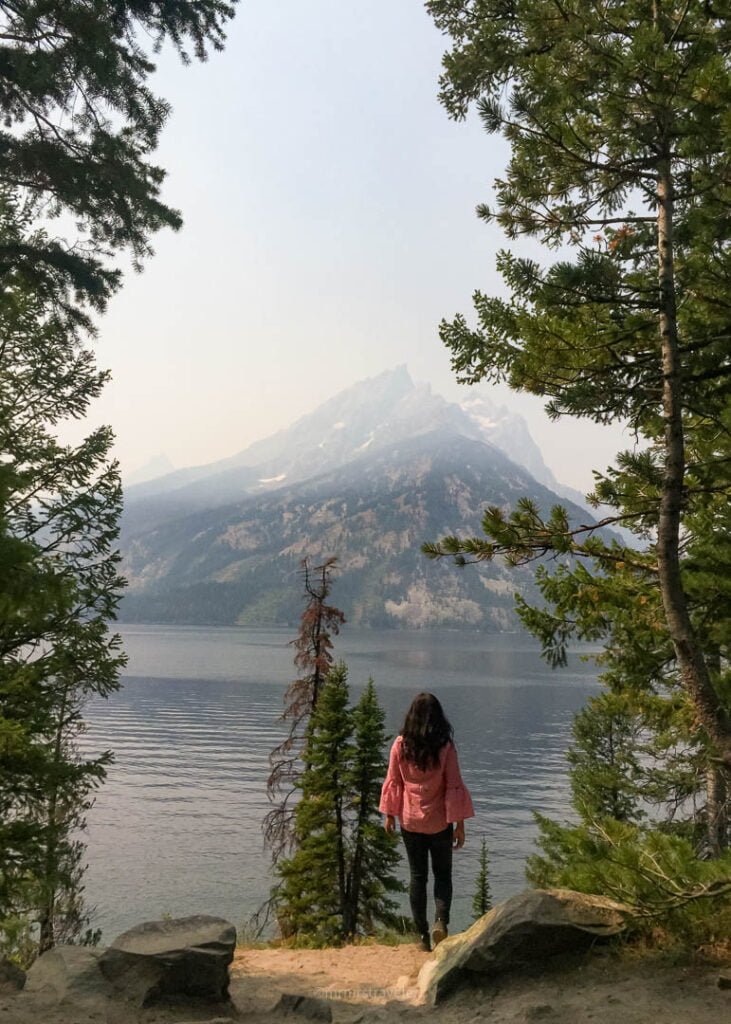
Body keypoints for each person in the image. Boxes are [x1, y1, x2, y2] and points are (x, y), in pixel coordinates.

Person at [379, 692, 474, 953]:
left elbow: (394, 782)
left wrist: (389, 815)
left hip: (410, 822)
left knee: (417, 877)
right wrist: (460, 825)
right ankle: (440, 923)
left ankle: (421, 936)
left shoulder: (401, 745)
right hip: (439, 823)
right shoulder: (445, 747)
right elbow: (454, 785)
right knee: (442, 875)